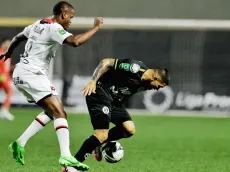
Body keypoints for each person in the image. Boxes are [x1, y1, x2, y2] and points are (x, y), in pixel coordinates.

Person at [0, 1, 103, 170]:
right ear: (62, 14)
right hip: (32, 73)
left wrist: (8, 53)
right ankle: (66, 156)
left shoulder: (39, 23)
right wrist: (96, 28)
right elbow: (75, 42)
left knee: (51, 111)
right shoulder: (54, 28)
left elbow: (18, 37)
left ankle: (20, 143)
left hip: (21, 72)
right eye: (70, 17)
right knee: (60, 112)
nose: (71, 21)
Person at [63, 58, 169, 171]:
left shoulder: (148, 83)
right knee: (101, 134)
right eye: (159, 86)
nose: (157, 89)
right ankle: (71, 167)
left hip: (114, 102)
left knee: (129, 129)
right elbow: (106, 62)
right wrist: (93, 80)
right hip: (99, 92)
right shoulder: (134, 68)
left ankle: (96, 142)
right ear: (155, 77)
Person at [0, 38, 15, 120]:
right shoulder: (1, 52)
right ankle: (4, 110)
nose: (9, 45)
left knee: (9, 92)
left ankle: (4, 110)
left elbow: (6, 67)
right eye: (8, 43)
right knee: (10, 91)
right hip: (2, 77)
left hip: (5, 76)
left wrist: (13, 67)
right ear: (4, 43)